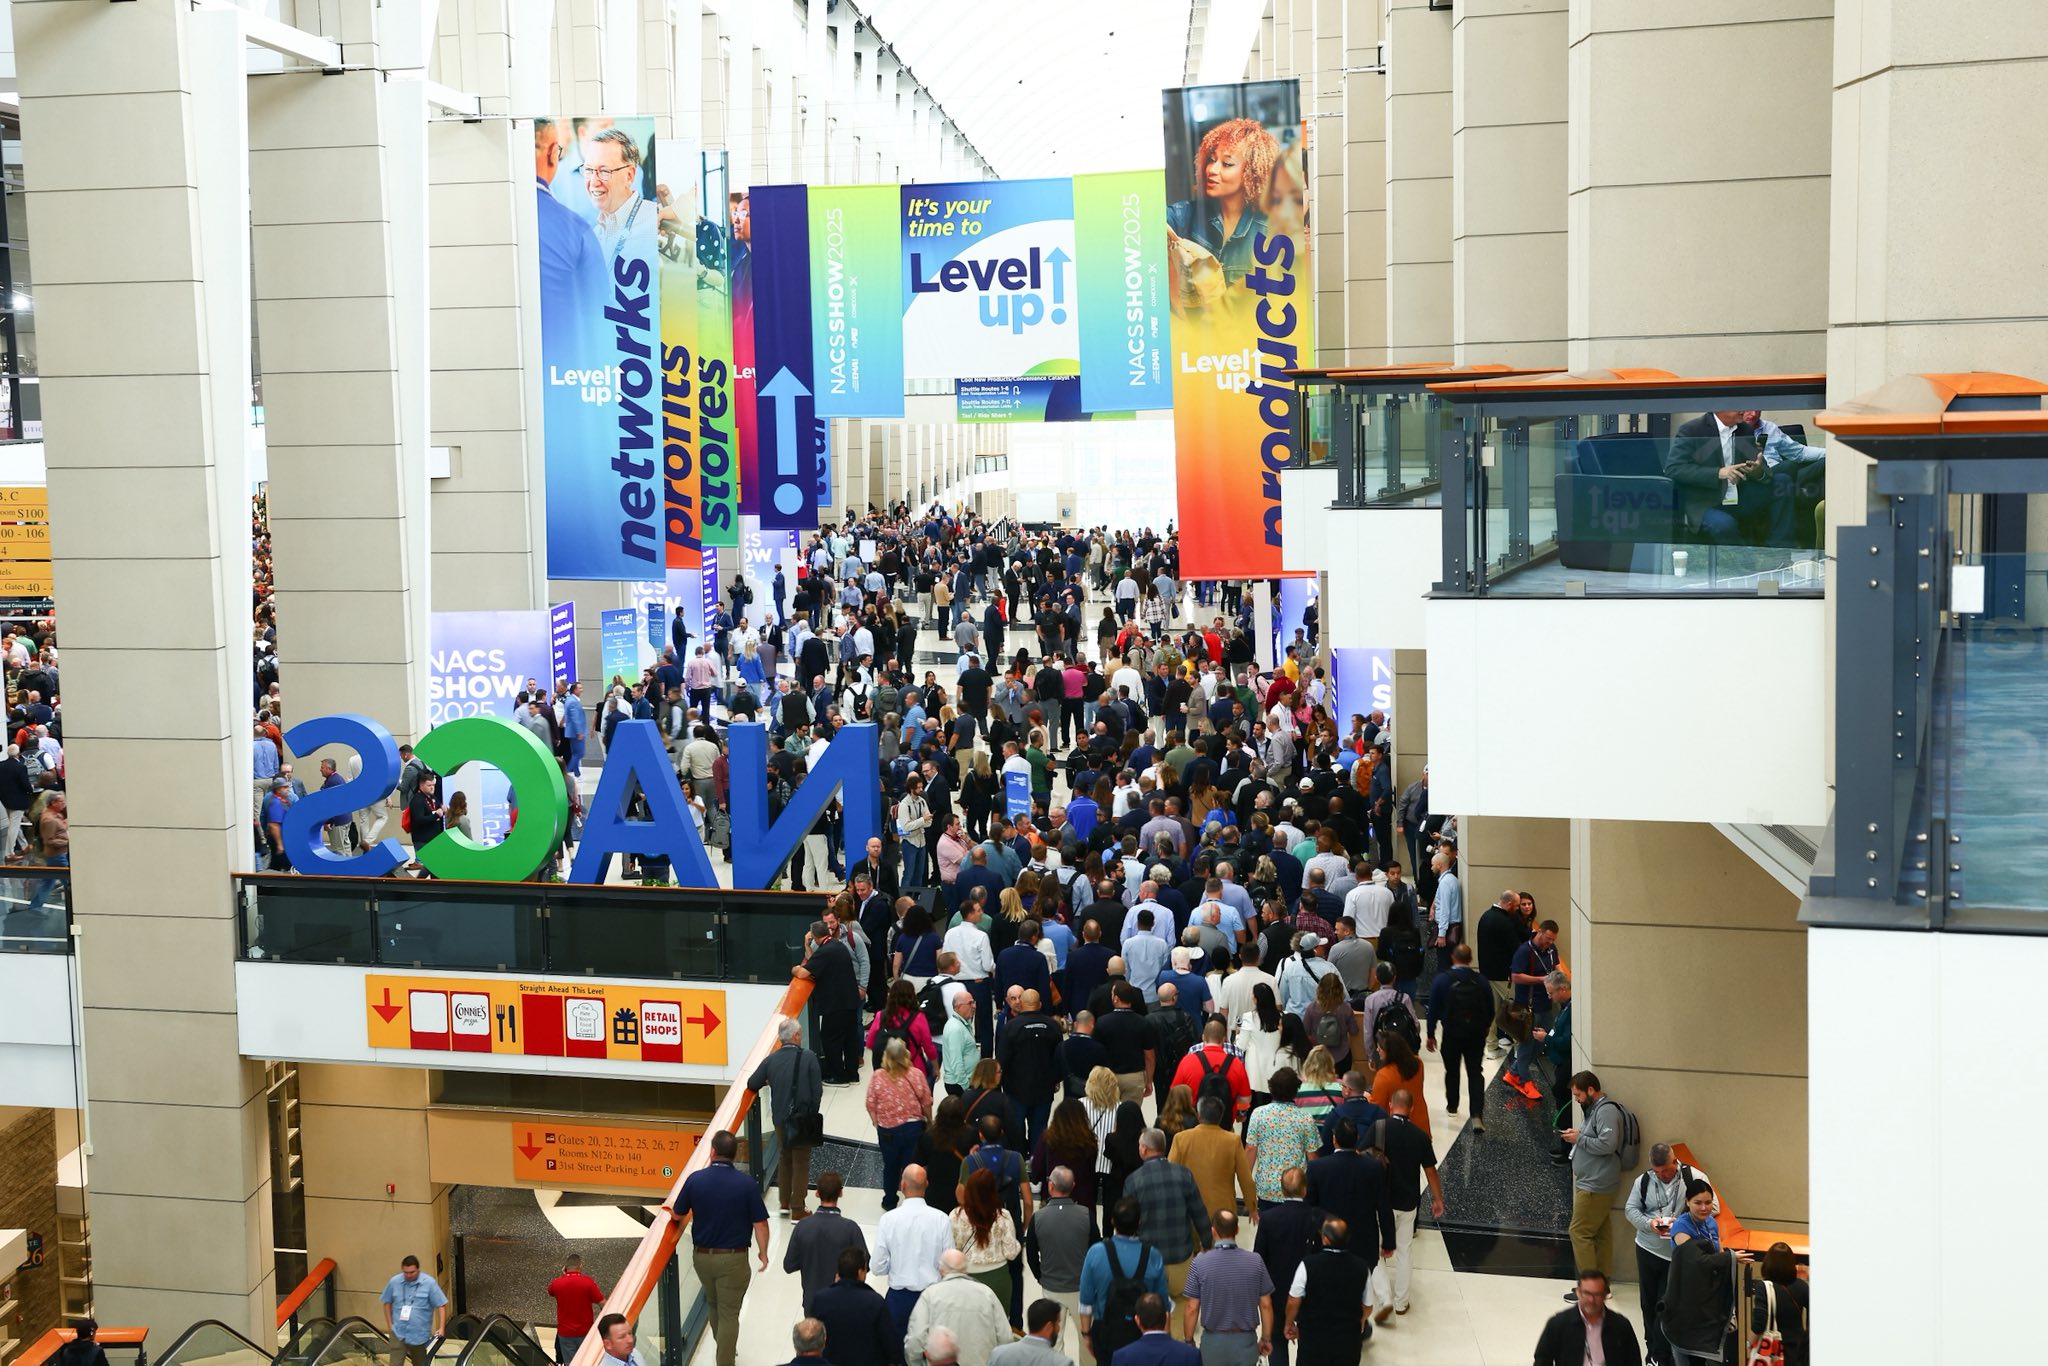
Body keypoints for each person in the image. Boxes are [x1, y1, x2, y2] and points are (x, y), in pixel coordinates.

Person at [675, 1130, 771, 1366]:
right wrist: (763, 1253)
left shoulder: (695, 1179)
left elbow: (677, 1213)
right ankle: (725, 1360)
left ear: (713, 1152)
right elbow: (760, 1223)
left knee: (714, 1304)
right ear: (734, 1154)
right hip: (732, 1259)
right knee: (729, 1313)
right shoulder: (746, 1184)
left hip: (702, 1258)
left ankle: (724, 1348)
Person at [1624, 1142, 1713, 1366]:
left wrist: (1683, 1221)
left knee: (1664, 1305)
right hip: (1647, 1249)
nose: (1662, 1175)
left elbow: (1713, 1207)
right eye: (1657, 1171)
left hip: (1677, 1256)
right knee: (1648, 1304)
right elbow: (1630, 1209)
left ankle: (1660, 1356)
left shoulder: (1694, 1177)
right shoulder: (1643, 1181)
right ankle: (1651, 1350)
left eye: (1666, 1169)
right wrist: (1649, 1223)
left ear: (1675, 1161)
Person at [1165, 117, 1280, 287]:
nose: (1212, 170)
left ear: (1252, 173)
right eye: (1211, 160)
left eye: (1227, 164)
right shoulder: (1184, 215)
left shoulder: (1270, 230)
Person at [1125, 1127, 1212, 1333]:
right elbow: (1199, 1213)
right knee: (1182, 1303)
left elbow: (1128, 1223)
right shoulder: (1184, 1175)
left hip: (1148, 1260)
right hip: (1181, 1258)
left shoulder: (1133, 1181)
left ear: (1144, 1150)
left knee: (1150, 1311)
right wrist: (1207, 1245)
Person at [1367, 1090, 1442, 1320]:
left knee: (1376, 1250)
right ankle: (1402, 1302)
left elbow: (1360, 1154)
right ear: (1410, 1108)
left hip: (1382, 1202)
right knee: (1404, 1250)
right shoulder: (1420, 1136)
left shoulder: (1378, 1128)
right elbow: (1430, 1172)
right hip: (1408, 1203)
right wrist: (1438, 1199)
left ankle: (1384, 1298)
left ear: (1390, 1105)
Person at [1076, 1198, 1170, 1365]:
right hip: (1142, 1332)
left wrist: (1086, 1334)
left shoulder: (1096, 1252)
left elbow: (1085, 1301)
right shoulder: (1153, 1255)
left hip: (1105, 1333)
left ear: (1112, 1221)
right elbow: (1163, 1304)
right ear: (1139, 1222)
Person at [748, 1018, 824, 1218]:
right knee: (801, 1162)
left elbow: (752, 1082)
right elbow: (817, 1090)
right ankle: (797, 1208)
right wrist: (811, 1115)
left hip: (780, 1118)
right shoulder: (808, 1057)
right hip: (801, 1119)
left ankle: (783, 1203)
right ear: (796, 1036)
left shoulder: (771, 1059)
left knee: (785, 1157)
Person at [1179, 1208, 1274, 1366]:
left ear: (1213, 1231)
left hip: (1212, 1343)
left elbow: (1192, 1308)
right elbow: (1266, 1304)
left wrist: (1188, 1341)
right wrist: (1266, 1338)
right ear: (1237, 1230)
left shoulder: (1200, 1262)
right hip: (1246, 1343)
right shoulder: (1255, 1261)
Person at [872, 1165, 953, 1343]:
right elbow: (949, 1266)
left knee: (897, 1353)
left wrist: (894, 1266)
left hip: (898, 1299)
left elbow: (876, 1267)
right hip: (932, 1298)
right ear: (927, 1185)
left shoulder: (888, 1220)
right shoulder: (941, 1219)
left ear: (902, 1185)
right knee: (931, 1352)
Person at [1025, 1166, 1097, 1365]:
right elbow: (1096, 1251)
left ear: (1050, 1186)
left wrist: (1041, 1276)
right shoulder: (1086, 1215)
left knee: (1053, 1342)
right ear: (1073, 1186)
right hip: (1081, 1289)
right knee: (1086, 1338)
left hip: (1051, 1288)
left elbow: (1031, 1254)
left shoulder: (1038, 1218)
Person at [1559, 1071, 1626, 1280]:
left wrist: (1580, 1139)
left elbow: (1608, 1144)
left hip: (1596, 1184)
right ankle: (1602, 1284)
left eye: (1578, 1095)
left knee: (1578, 1232)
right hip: (1593, 1181)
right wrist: (1579, 1136)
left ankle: (1590, 1287)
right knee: (1600, 1233)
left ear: (1590, 1090)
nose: (1577, 1100)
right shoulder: (1593, 1110)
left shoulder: (1605, 1111)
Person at [1423, 943, 1491, 1132]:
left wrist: (1430, 1034)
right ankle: (1476, 1114)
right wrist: (1484, 1027)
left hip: (1452, 1033)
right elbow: (1490, 1008)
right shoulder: (1481, 980)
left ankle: (1452, 1106)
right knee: (1475, 1072)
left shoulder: (1442, 980)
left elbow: (1433, 1009)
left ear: (1453, 958)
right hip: (1475, 1035)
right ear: (1470, 960)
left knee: (1452, 1071)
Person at [1281, 1220, 1370, 1363]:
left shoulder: (1308, 1264)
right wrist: (1361, 1320)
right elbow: (1367, 1306)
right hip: (1347, 1340)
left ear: (1325, 1239)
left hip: (1313, 1339)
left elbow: (1293, 1300)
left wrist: (1289, 1323)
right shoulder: (1362, 1267)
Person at [905, 1249, 1012, 1366]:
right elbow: (1005, 1338)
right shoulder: (987, 1294)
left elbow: (915, 1340)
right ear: (966, 1269)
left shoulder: (930, 1295)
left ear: (941, 1270)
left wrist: (916, 1363)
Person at [1167, 1096, 1256, 1230]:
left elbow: (1170, 1176)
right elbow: (1246, 1179)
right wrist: (1252, 1207)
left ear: (1198, 1115)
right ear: (1221, 1116)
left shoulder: (1181, 1139)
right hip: (1223, 1212)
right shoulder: (1233, 1141)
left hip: (1190, 1210)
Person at [868, 1037, 935, 1210]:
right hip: (913, 1128)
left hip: (887, 1131)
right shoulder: (916, 1074)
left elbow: (870, 1103)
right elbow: (926, 1101)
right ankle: (912, 1201)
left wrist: (877, 1122)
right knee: (911, 1166)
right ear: (906, 1055)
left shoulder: (878, 1076)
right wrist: (929, 1119)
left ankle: (889, 1200)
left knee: (890, 1166)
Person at [785, 1170, 869, 1307]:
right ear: (841, 1193)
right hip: (843, 1303)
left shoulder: (803, 1226)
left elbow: (789, 1265)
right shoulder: (851, 1229)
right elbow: (865, 1264)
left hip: (813, 1303)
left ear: (817, 1193)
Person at [807, 1247, 898, 1366]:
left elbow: (812, 1337)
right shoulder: (875, 1302)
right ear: (860, 1272)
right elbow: (890, 1343)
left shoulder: (820, 1299)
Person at [1532, 1269, 1642, 1366]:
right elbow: (1542, 1360)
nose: (1591, 1300)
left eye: (1597, 1294)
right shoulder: (1558, 1324)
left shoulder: (1620, 1325)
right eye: (1587, 1293)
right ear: (1578, 1293)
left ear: (1604, 1295)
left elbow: (1634, 1361)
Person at [1473, 889, 1524, 1059]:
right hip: (1503, 975)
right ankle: (1519, 1048)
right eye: (1516, 906)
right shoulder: (1504, 922)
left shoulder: (1486, 916)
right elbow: (1516, 948)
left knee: (1492, 1012)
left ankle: (1492, 1047)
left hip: (1487, 972)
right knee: (1516, 1009)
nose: (1517, 909)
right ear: (1509, 904)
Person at [379, 1254, 448, 1366]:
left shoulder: (429, 1283)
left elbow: (441, 1304)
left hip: (419, 1335)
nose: (409, 1275)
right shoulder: (394, 1282)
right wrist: (390, 1325)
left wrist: (441, 1328)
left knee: (420, 1363)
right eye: (406, 1272)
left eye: (412, 1272)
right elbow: (386, 1302)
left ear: (418, 1270)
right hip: (398, 1332)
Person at [1749, 1241, 1809, 1366]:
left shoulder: (1764, 1287)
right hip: (1798, 1354)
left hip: (1772, 1353)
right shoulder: (1802, 1286)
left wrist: (1749, 1345)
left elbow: (1758, 1326)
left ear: (1768, 1263)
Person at [546, 1254, 605, 1364]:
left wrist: (563, 1276)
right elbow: (602, 1303)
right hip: (585, 1332)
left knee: (571, 1363)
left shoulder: (557, 1283)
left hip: (565, 1333)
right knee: (587, 1361)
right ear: (580, 1266)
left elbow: (550, 1291)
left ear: (565, 1268)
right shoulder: (588, 1282)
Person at [989, 1299, 1074, 1366]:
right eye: (1057, 1323)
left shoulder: (998, 1354)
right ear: (1049, 1326)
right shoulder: (1063, 1363)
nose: (1059, 1328)